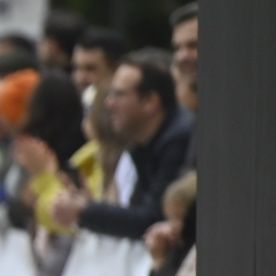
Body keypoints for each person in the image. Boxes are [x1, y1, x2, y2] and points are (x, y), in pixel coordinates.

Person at [51, 49, 194, 240]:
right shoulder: (138, 142)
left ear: (150, 101)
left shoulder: (179, 139)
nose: (109, 104)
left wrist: (85, 211)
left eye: (119, 95)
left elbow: (151, 218)